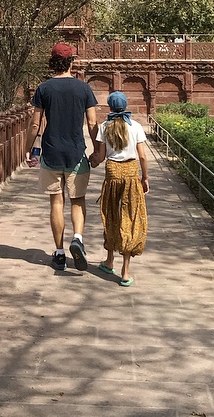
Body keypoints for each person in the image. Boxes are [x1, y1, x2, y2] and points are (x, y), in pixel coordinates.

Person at [25, 42, 98, 271]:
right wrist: (98, 150)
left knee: (56, 201)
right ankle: (78, 239)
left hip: (51, 152)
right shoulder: (83, 88)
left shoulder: (44, 89)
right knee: (78, 199)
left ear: (52, 62)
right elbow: (93, 123)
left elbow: (35, 123)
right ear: (71, 62)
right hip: (76, 153)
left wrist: (27, 148)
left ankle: (59, 253)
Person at [89, 91, 149, 287]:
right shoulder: (136, 126)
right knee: (130, 218)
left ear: (110, 106)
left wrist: (92, 161)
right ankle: (125, 270)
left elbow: (100, 156)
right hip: (131, 174)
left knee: (112, 215)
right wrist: (145, 177)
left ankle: (109, 260)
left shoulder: (104, 127)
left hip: (112, 174)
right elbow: (142, 156)